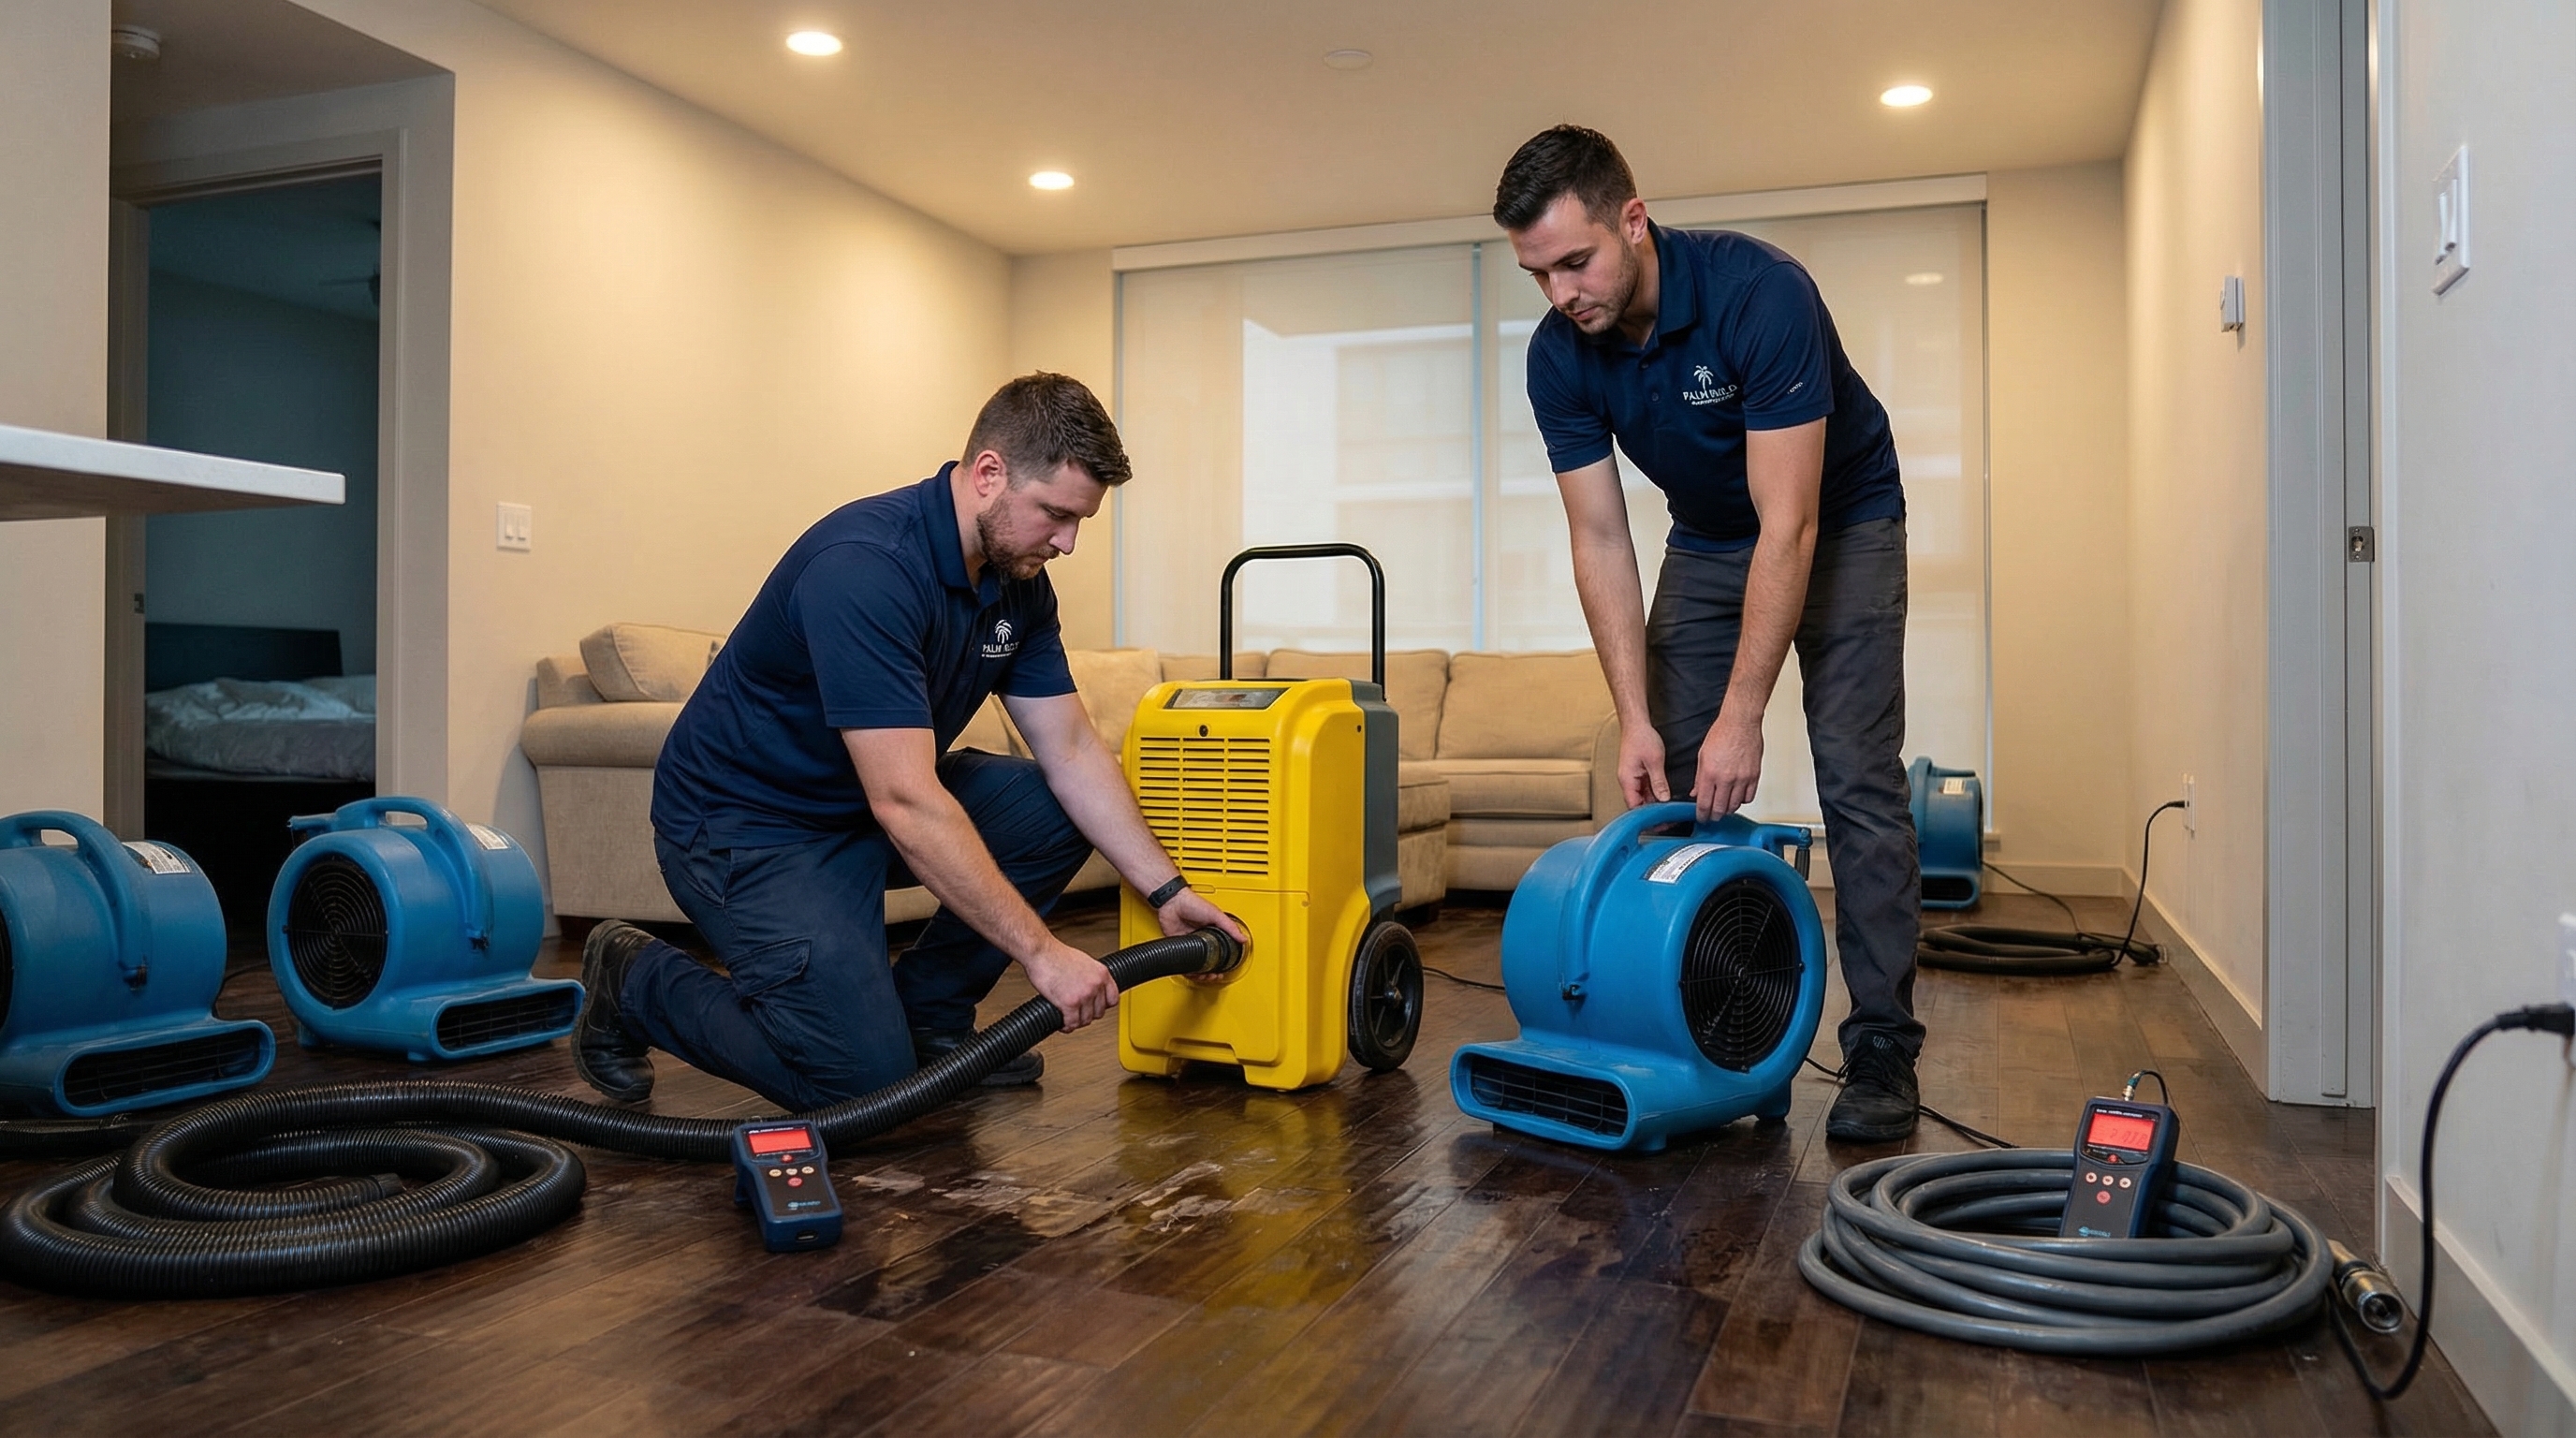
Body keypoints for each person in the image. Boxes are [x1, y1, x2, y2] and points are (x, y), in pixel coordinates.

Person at [573, 373, 1244, 1111]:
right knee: (860, 1085)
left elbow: (1074, 752)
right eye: (1054, 514)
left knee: (1055, 806)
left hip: (862, 809)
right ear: (988, 472)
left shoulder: (1017, 582)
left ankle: (929, 1022)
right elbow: (905, 798)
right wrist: (1043, 956)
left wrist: (1168, 891)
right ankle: (631, 978)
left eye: (1080, 521)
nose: (1069, 542)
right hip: (750, 829)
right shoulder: (866, 567)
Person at [1493, 125, 1924, 1142]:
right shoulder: (1561, 355)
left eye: (1575, 261)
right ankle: (1692, 1020)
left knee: (1855, 775)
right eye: (1536, 273)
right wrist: (1633, 716)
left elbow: (1794, 522)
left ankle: (1881, 1049)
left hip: (1842, 518)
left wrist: (1745, 714)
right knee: (1667, 777)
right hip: (1712, 536)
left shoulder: (1756, 292)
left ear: (1632, 222)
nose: (1560, 293)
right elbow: (1598, 536)